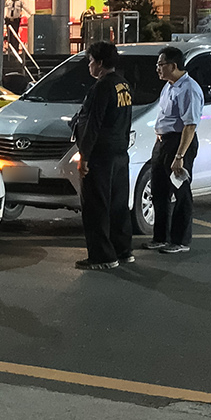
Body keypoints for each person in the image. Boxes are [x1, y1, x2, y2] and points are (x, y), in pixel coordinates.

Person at [71, 41, 135, 270]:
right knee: (118, 205)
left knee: (95, 206)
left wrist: (85, 156)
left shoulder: (102, 87)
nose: (89, 65)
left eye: (90, 61)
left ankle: (102, 256)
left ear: (99, 63)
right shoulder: (123, 85)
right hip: (119, 153)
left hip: (101, 155)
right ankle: (122, 250)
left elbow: (93, 123)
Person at [146, 46, 203, 254]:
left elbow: (190, 125)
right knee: (159, 190)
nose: (157, 69)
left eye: (161, 64)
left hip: (179, 143)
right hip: (163, 143)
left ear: (173, 65)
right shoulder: (169, 86)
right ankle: (161, 237)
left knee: (181, 192)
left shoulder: (189, 88)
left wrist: (180, 156)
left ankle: (180, 240)